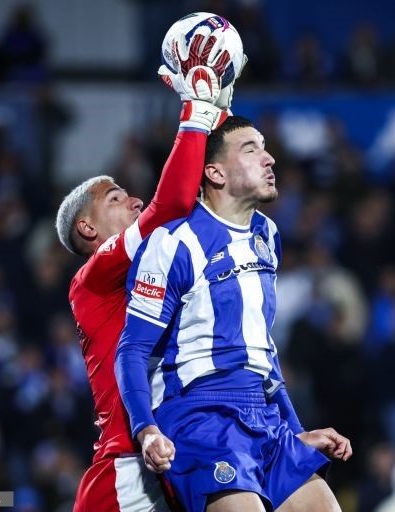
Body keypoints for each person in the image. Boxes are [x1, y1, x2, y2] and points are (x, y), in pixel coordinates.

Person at [115, 115, 352, 512]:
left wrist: (295, 432)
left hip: (263, 414)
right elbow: (132, 349)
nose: (269, 158)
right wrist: (146, 430)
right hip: (200, 416)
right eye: (251, 149)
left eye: (265, 147)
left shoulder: (267, 236)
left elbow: (263, 348)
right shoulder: (175, 242)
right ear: (215, 173)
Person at [55, 29, 235, 511]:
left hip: (174, 454)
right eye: (117, 199)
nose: (135, 200)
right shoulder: (93, 278)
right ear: (89, 230)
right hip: (125, 472)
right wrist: (193, 113)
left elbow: (198, 204)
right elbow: (171, 202)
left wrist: (216, 118)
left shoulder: (160, 265)